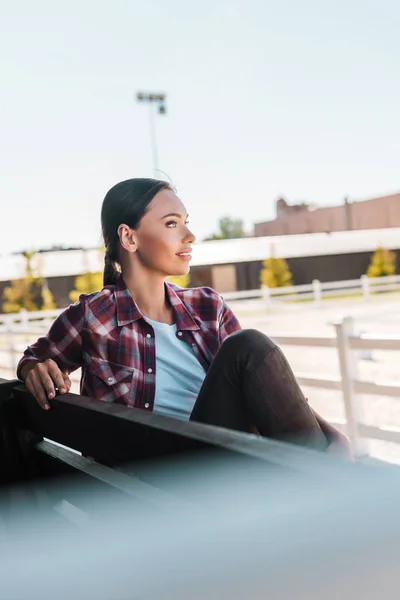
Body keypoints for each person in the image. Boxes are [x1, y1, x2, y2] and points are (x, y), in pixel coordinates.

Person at [17, 178, 351, 457]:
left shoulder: (208, 307)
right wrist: (35, 368)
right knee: (248, 345)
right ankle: (326, 486)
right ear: (129, 238)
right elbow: (34, 359)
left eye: (186, 222)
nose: (189, 236)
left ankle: (325, 476)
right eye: (172, 223)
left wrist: (330, 436)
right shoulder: (93, 316)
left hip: (223, 457)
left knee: (249, 350)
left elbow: (266, 387)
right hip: (161, 473)